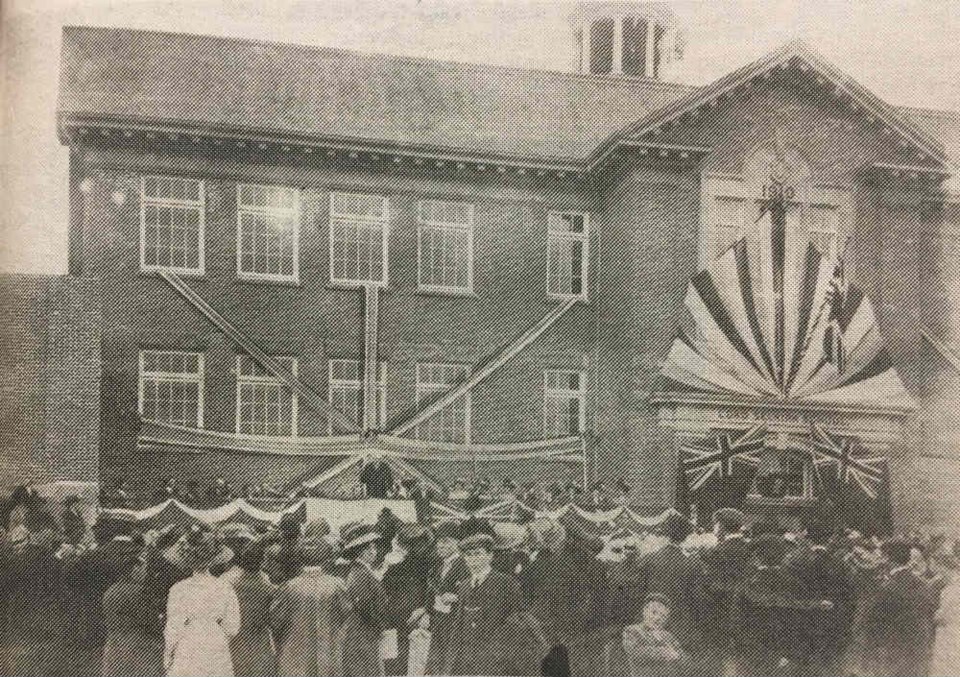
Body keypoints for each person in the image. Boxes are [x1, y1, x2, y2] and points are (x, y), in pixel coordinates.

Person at [441, 532, 524, 676]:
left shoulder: (506, 583)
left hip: (495, 662)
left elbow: (515, 623)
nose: (473, 559)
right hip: (467, 661)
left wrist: (499, 657)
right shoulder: (464, 586)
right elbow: (459, 624)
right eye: (468, 555)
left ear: (490, 556)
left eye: (478, 553)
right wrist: (451, 664)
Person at [163, 526, 241, 677]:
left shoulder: (179, 589)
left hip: (189, 642)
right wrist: (219, 638)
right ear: (213, 559)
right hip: (216, 641)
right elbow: (232, 627)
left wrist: (168, 654)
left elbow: (173, 627)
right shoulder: (224, 587)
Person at [632, 513, 709, 663]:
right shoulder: (693, 564)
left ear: (664, 534)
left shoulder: (648, 560)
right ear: (685, 537)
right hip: (680, 628)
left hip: (650, 625)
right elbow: (696, 599)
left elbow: (637, 594)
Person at [862, 539, 937, 677]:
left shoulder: (888, 587)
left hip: (894, 650)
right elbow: (930, 609)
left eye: (881, 556)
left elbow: (875, 622)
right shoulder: (920, 582)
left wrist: (871, 651)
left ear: (887, 558)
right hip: (918, 647)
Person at [270, 540, 346, 677]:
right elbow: (345, 615)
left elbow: (275, 620)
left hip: (295, 653)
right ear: (324, 559)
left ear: (300, 559)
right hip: (328, 650)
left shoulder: (289, 587)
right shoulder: (336, 585)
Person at [381, 523, 435, 675]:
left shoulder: (397, 567)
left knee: (399, 660)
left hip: (404, 618)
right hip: (408, 618)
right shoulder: (427, 566)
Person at [101, 550, 164, 677]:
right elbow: (150, 622)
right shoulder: (141, 591)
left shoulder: (110, 590)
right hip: (138, 645)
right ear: (135, 570)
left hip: (113, 643)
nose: (146, 573)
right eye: (143, 569)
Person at [338, 522, 390, 677]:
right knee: (365, 669)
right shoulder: (360, 573)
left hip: (363, 631)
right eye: (370, 548)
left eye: (373, 547)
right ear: (362, 552)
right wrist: (379, 626)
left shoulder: (361, 571)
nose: (374, 551)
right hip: (362, 632)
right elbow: (365, 606)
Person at [603, 593, 688, 677]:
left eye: (663, 616)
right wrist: (663, 652)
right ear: (644, 611)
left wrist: (678, 655)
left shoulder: (668, 636)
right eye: (654, 612)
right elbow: (635, 652)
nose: (658, 618)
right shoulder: (632, 631)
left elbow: (686, 661)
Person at [230, 541, 278, 677]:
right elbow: (274, 619)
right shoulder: (269, 588)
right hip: (260, 639)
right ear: (262, 562)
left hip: (236, 640)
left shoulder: (231, 586)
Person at [930, 565, 960, 677]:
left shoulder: (950, 590)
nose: (940, 576)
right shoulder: (950, 588)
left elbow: (941, 616)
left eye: (942, 572)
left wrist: (935, 615)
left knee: (946, 666)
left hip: (949, 632)